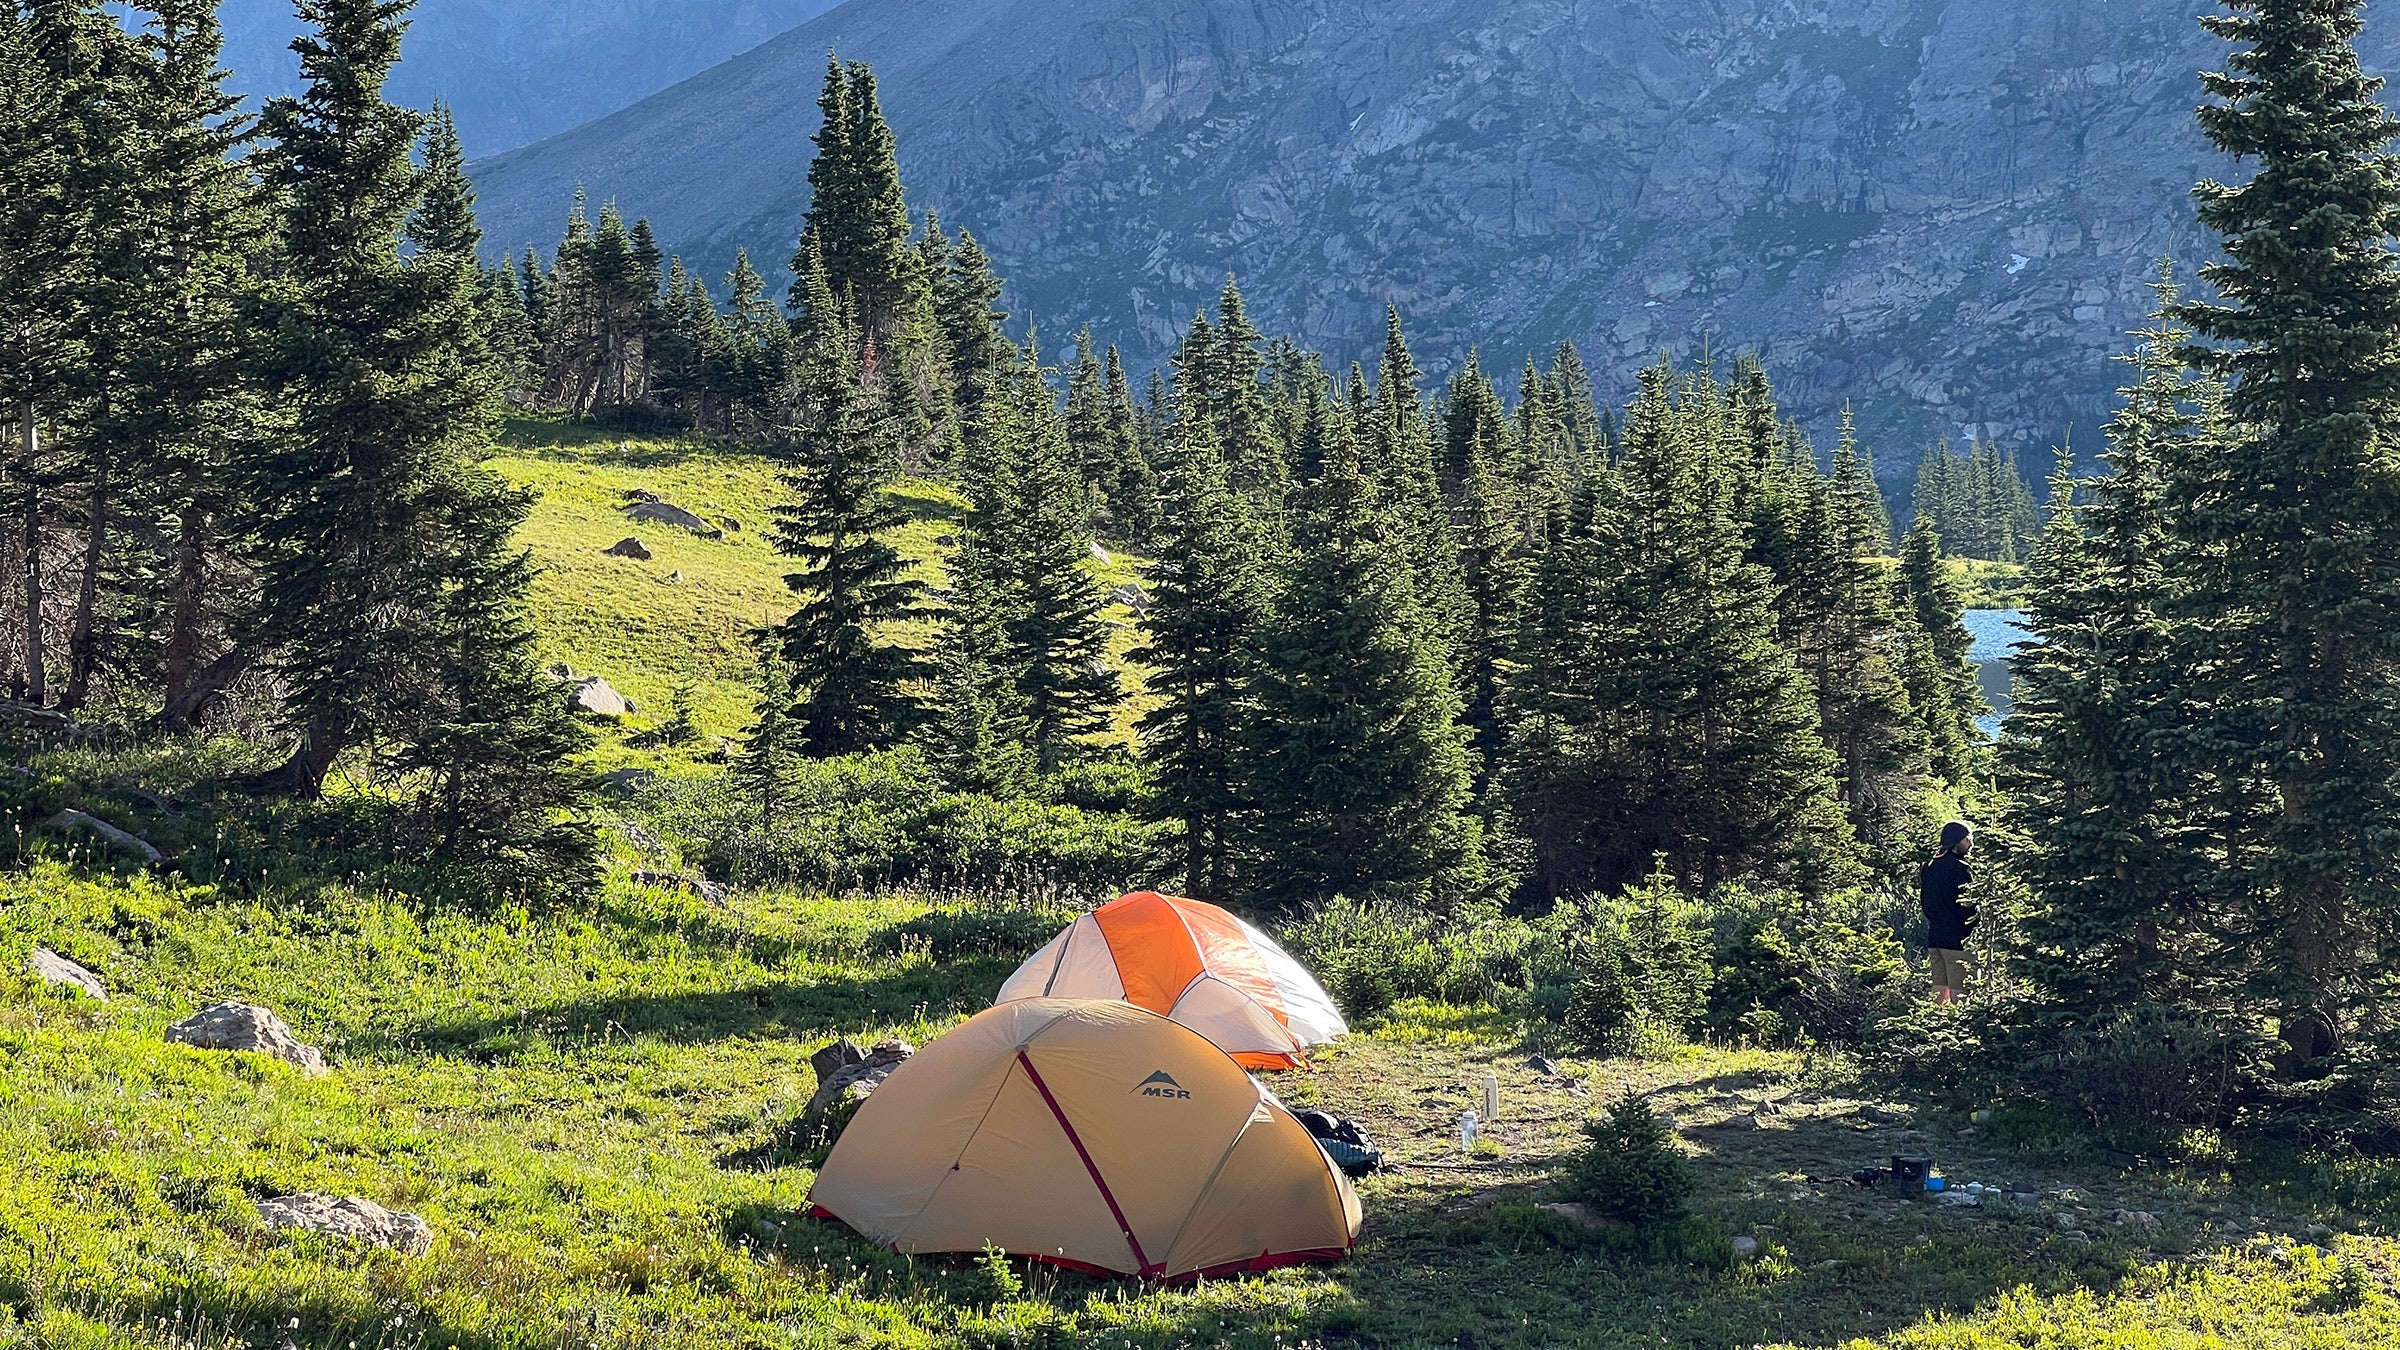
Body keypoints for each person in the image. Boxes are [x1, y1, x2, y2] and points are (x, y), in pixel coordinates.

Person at [1920, 820, 1977, 1003]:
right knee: (1961, 992)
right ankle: (1959, 1030)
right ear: (1956, 842)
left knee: (1939, 989)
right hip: (1958, 940)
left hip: (1935, 937)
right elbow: (1969, 906)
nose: (1970, 845)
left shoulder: (1930, 867)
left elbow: (1926, 903)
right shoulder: (1961, 869)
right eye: (1967, 840)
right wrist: (1974, 928)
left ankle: (1934, 1025)